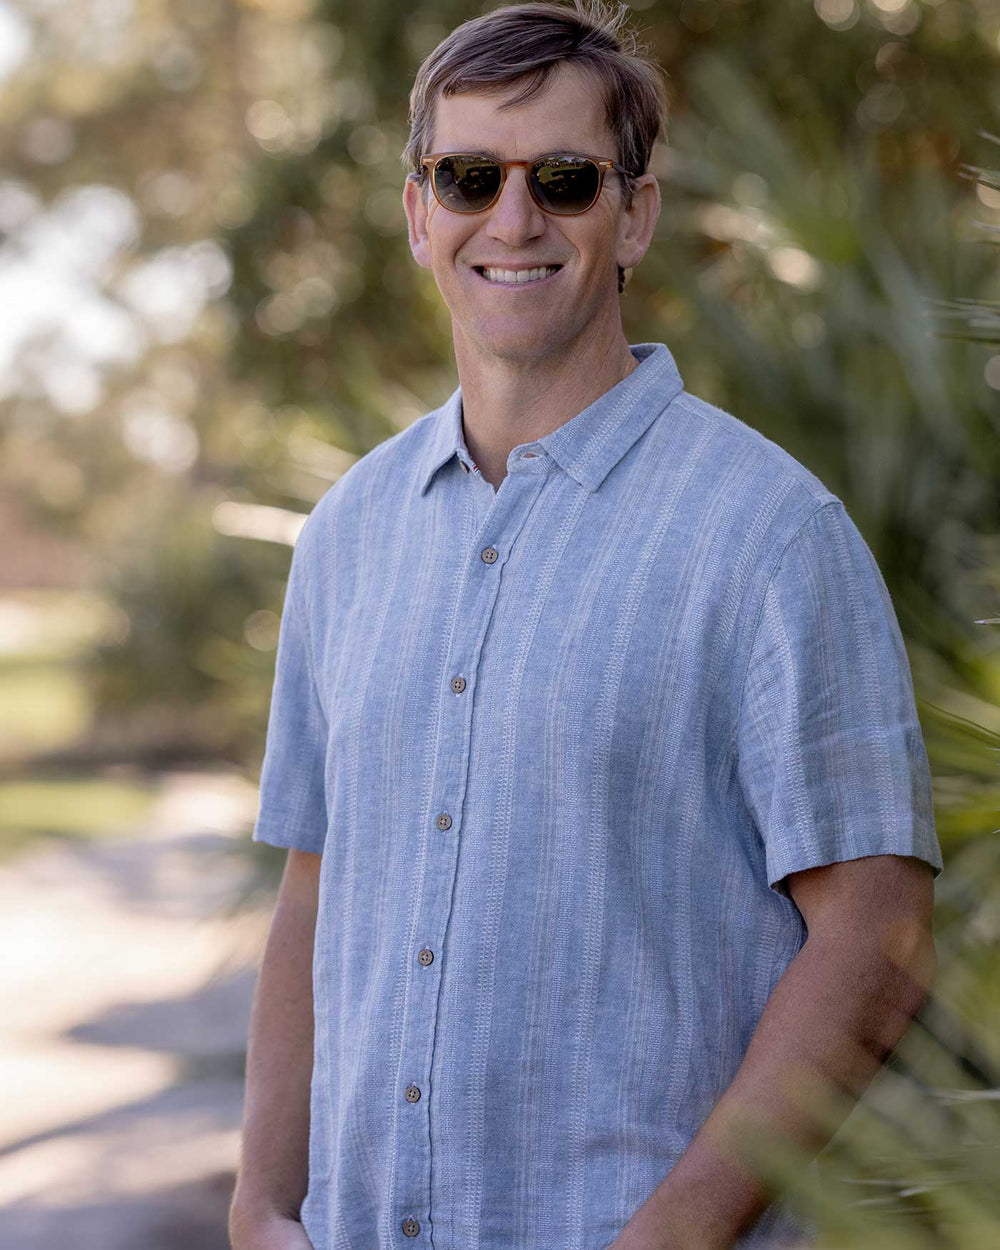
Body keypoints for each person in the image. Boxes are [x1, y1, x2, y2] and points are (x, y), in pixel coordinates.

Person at [228, 3, 944, 1248]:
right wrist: (258, 1202)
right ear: (419, 213)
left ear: (636, 215)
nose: (513, 220)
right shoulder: (345, 534)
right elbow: (314, 887)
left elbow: (876, 939)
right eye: (469, 177)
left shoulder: (771, 535)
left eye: (562, 179)